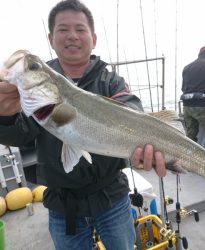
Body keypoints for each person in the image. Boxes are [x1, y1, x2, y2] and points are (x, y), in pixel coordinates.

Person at [0, 0, 166, 249]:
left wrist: (146, 140)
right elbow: (21, 135)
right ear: (51, 38)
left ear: (93, 38)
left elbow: (132, 108)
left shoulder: (110, 80)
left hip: (112, 197)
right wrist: (6, 116)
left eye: (80, 29)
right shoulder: (36, 95)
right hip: (61, 204)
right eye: (63, 29)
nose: (72, 36)